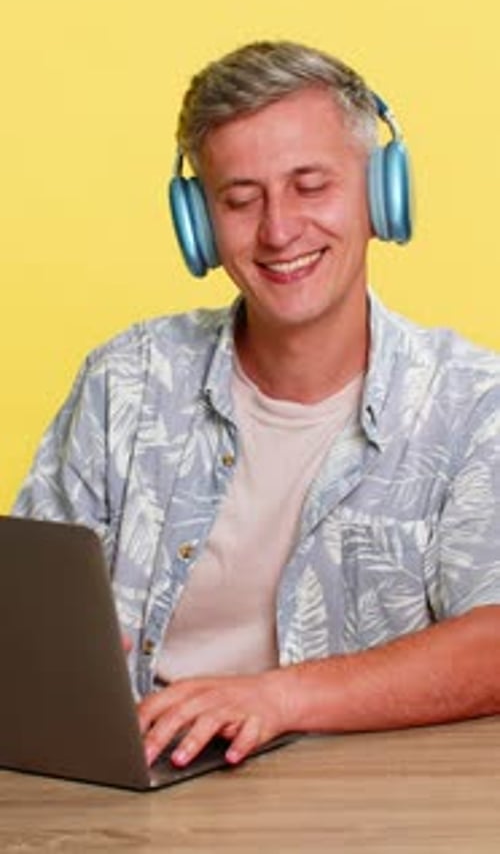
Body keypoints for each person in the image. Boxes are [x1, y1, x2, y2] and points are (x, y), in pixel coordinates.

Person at [13, 41, 500, 771]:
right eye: (240, 200)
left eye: (311, 186)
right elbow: (23, 610)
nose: (278, 231)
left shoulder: (470, 403)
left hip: (362, 803)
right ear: (199, 222)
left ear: (382, 192)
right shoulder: (127, 381)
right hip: (131, 786)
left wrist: (276, 698)